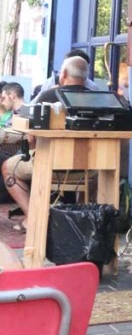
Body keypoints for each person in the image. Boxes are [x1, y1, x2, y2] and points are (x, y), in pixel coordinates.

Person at [2, 59, 90, 223]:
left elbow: (31, 138)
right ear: (85, 77)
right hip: (89, 168)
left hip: (52, 165)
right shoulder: (96, 99)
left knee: (8, 167)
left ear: (63, 74)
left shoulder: (49, 96)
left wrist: (34, 151)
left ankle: (33, 218)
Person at [31, 49, 98, 101]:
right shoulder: (50, 83)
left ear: (65, 73)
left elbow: (31, 110)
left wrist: (49, 94)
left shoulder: (48, 96)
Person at [0, 84, 26, 205]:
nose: (2, 102)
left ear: (12, 96)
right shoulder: (18, 112)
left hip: (23, 154)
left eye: (4, 98)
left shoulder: (24, 113)